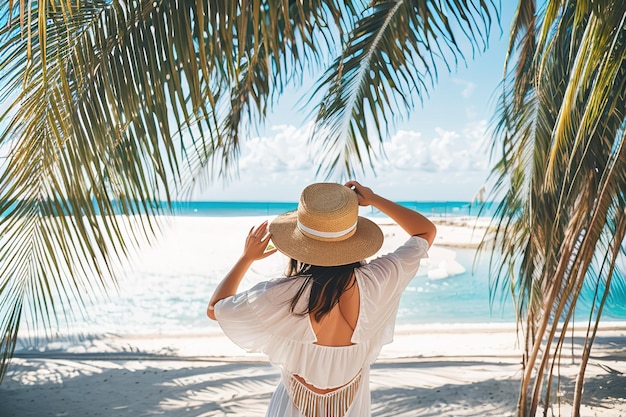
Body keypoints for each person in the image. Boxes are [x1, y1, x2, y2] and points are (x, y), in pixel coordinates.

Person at [207, 181, 436, 417]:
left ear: (300, 243)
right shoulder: (380, 280)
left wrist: (247, 258)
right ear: (353, 238)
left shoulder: (285, 295)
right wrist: (373, 199)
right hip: (352, 408)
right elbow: (425, 232)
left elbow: (215, 309)